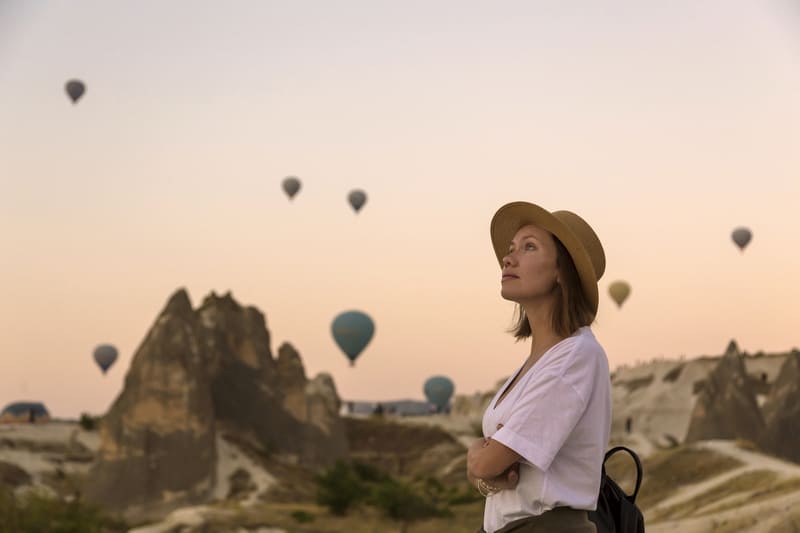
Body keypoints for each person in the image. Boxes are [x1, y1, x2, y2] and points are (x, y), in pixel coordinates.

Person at [467, 201, 612, 533]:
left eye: (529, 247)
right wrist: (485, 472)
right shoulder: (540, 362)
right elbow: (489, 470)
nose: (508, 258)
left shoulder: (575, 356)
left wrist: (477, 457)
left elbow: (488, 461)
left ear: (563, 271)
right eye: (511, 248)